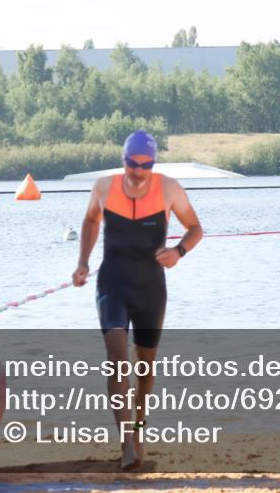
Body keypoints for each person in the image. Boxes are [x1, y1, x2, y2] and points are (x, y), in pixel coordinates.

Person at [72, 130, 203, 470]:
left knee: (144, 370)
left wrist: (178, 251)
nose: (138, 171)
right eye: (132, 164)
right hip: (112, 283)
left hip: (150, 289)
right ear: (123, 161)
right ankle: (127, 442)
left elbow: (195, 228)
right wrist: (83, 262)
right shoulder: (104, 187)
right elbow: (89, 220)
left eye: (146, 165)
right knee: (117, 359)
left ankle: (139, 430)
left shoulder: (169, 188)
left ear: (153, 163)